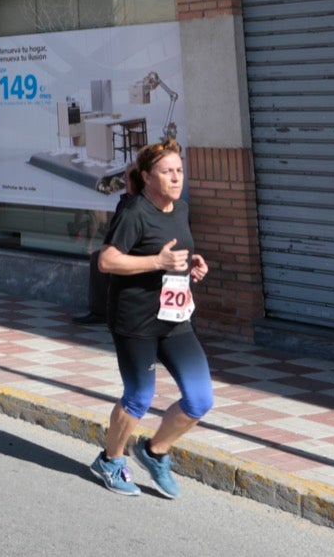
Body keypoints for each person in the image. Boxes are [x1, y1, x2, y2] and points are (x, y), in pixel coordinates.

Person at [89, 140, 212, 499]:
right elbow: (108, 261)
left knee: (200, 399)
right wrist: (157, 263)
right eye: (167, 171)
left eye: (179, 170)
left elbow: (172, 252)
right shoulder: (134, 212)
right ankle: (110, 460)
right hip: (136, 319)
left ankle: (154, 451)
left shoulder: (181, 208)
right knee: (139, 396)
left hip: (175, 318)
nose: (176, 177)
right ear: (146, 177)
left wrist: (192, 265)